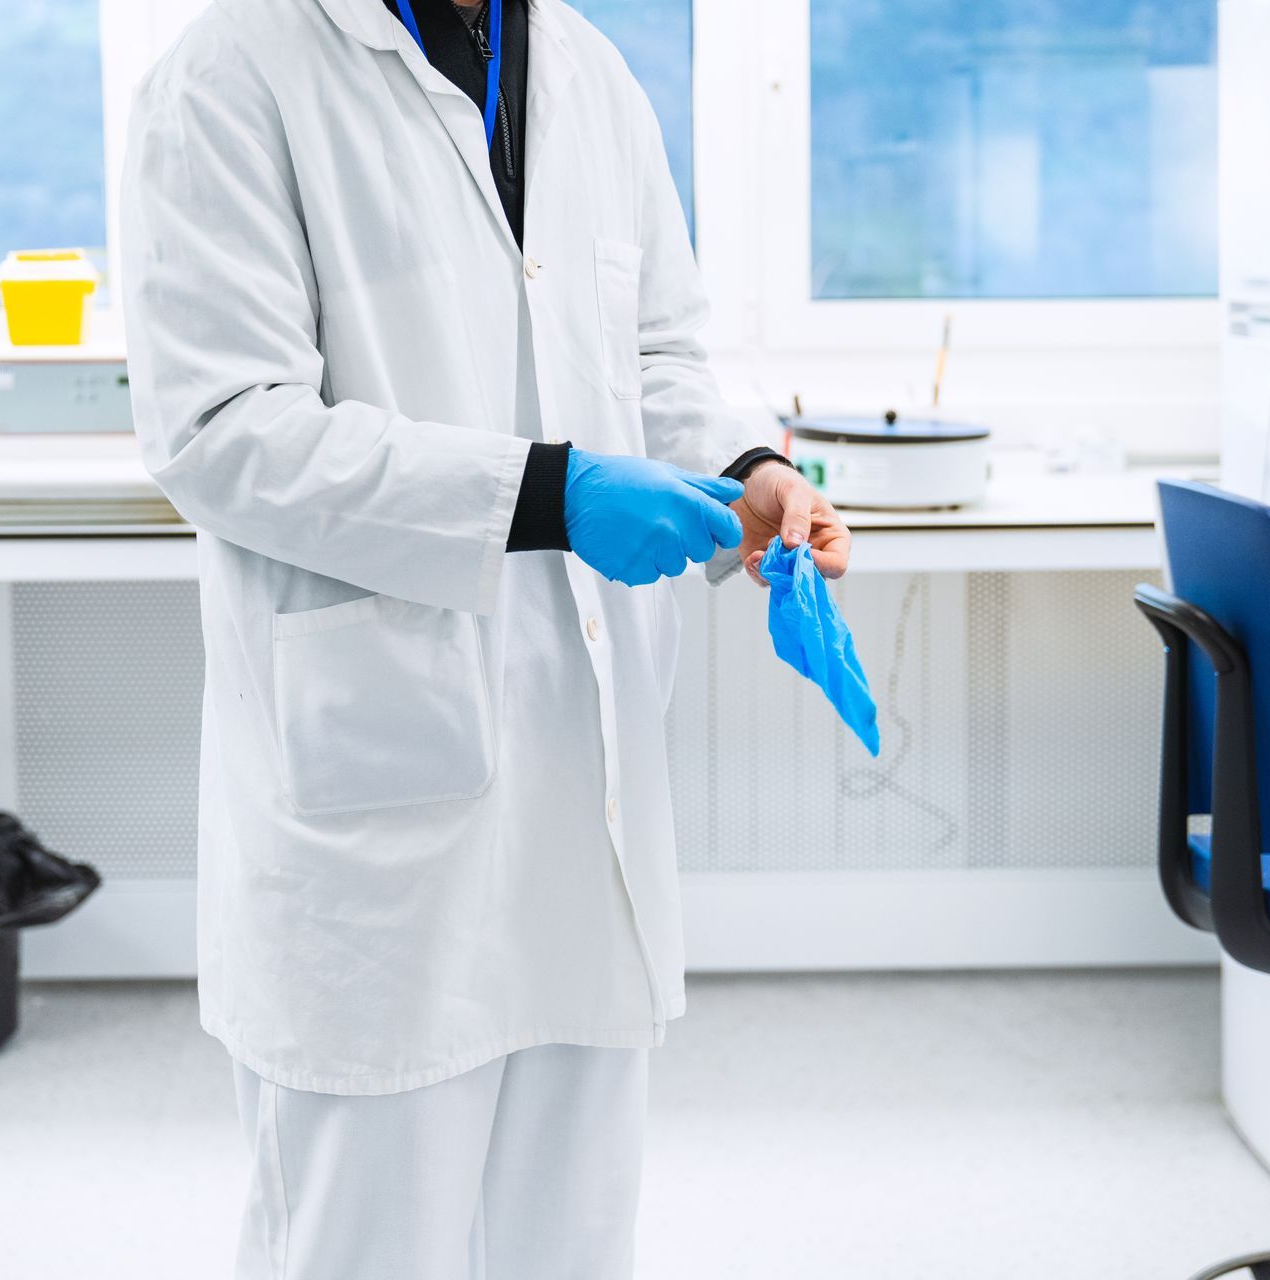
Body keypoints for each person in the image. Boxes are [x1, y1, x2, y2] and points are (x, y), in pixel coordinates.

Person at [120, 0, 851, 1276]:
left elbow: (655, 347)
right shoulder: (234, 72)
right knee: (365, 1239)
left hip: (585, 776)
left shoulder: (587, 70)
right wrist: (546, 493)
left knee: (568, 1239)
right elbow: (225, 431)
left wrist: (743, 471)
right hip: (376, 796)